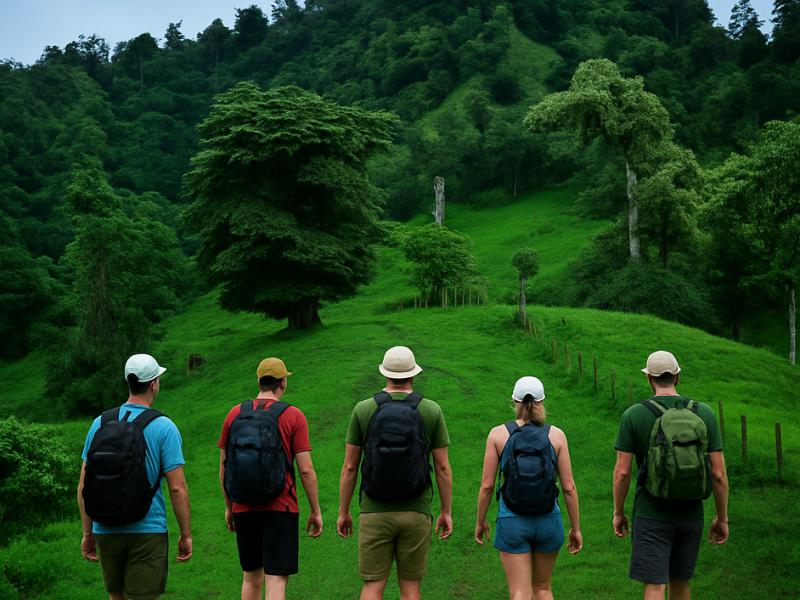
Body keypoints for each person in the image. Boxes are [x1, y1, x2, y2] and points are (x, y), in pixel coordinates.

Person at [337, 346, 453, 600]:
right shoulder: (431, 410)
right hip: (416, 510)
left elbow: (350, 467)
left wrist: (344, 512)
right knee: (410, 588)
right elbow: (443, 467)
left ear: (385, 373)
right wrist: (446, 511)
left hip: (374, 510)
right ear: (413, 375)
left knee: (372, 586)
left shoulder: (363, 409)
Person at [613, 350, 729, 600]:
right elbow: (718, 474)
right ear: (677, 377)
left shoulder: (634, 415)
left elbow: (622, 472)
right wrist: (722, 518)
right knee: (680, 583)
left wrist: (619, 513)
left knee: (655, 585)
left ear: (649, 379)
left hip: (650, 513)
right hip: (691, 515)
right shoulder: (704, 413)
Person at [77, 353, 192, 600]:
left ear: (128, 382)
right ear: (153, 384)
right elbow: (177, 488)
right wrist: (186, 534)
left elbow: (84, 484)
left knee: (115, 596)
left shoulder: (100, 423)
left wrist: (88, 533)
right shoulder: (164, 426)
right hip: (147, 532)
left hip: (106, 530)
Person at [218, 357, 323, 600]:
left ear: (259, 381)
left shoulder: (234, 414)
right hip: (281, 507)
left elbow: (224, 467)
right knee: (275, 579)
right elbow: (306, 470)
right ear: (283, 383)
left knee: (251, 577)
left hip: (243, 506)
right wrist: (315, 510)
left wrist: (229, 506)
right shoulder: (293, 416)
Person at [475, 376, 582, 600]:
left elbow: (487, 485)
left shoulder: (498, 435)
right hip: (548, 520)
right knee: (543, 588)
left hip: (512, 520)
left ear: (515, 401)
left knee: (519, 592)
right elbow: (569, 487)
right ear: (541, 402)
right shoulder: (556, 436)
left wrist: (481, 521)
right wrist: (575, 528)